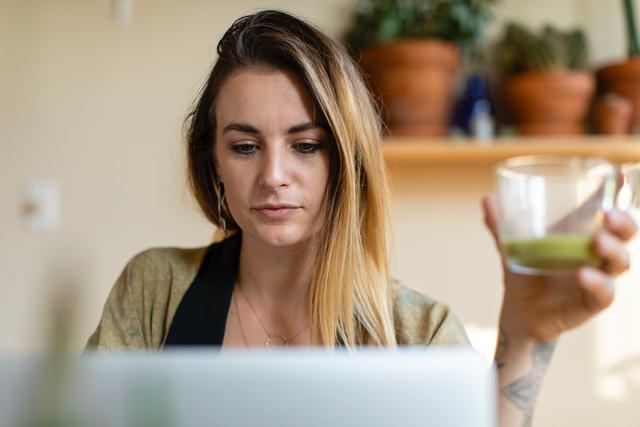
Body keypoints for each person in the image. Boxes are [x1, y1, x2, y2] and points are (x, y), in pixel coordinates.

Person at [86, 10, 637, 427]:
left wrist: (526, 337)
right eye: (246, 147)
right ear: (214, 162)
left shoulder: (417, 332)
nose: (274, 175)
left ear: (347, 162)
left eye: (306, 145)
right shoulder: (154, 289)